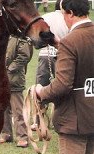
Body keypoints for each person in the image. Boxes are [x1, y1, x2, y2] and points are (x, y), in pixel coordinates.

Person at [35, 0, 94, 154]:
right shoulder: (77, 39)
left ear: (69, 13)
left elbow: (62, 85)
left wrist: (40, 93)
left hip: (74, 119)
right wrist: (59, 44)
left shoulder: (71, 41)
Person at [32, 0, 69, 131]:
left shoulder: (46, 18)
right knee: (62, 87)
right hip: (63, 56)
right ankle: (61, 119)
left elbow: (37, 38)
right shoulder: (68, 19)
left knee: (41, 87)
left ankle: (37, 121)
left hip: (45, 54)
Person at [0, 36, 33, 148]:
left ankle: (22, 137)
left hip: (15, 80)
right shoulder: (2, 35)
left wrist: (9, 68)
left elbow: (24, 56)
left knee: (18, 110)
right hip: (1, 79)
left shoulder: (21, 38)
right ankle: (6, 134)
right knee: (3, 109)